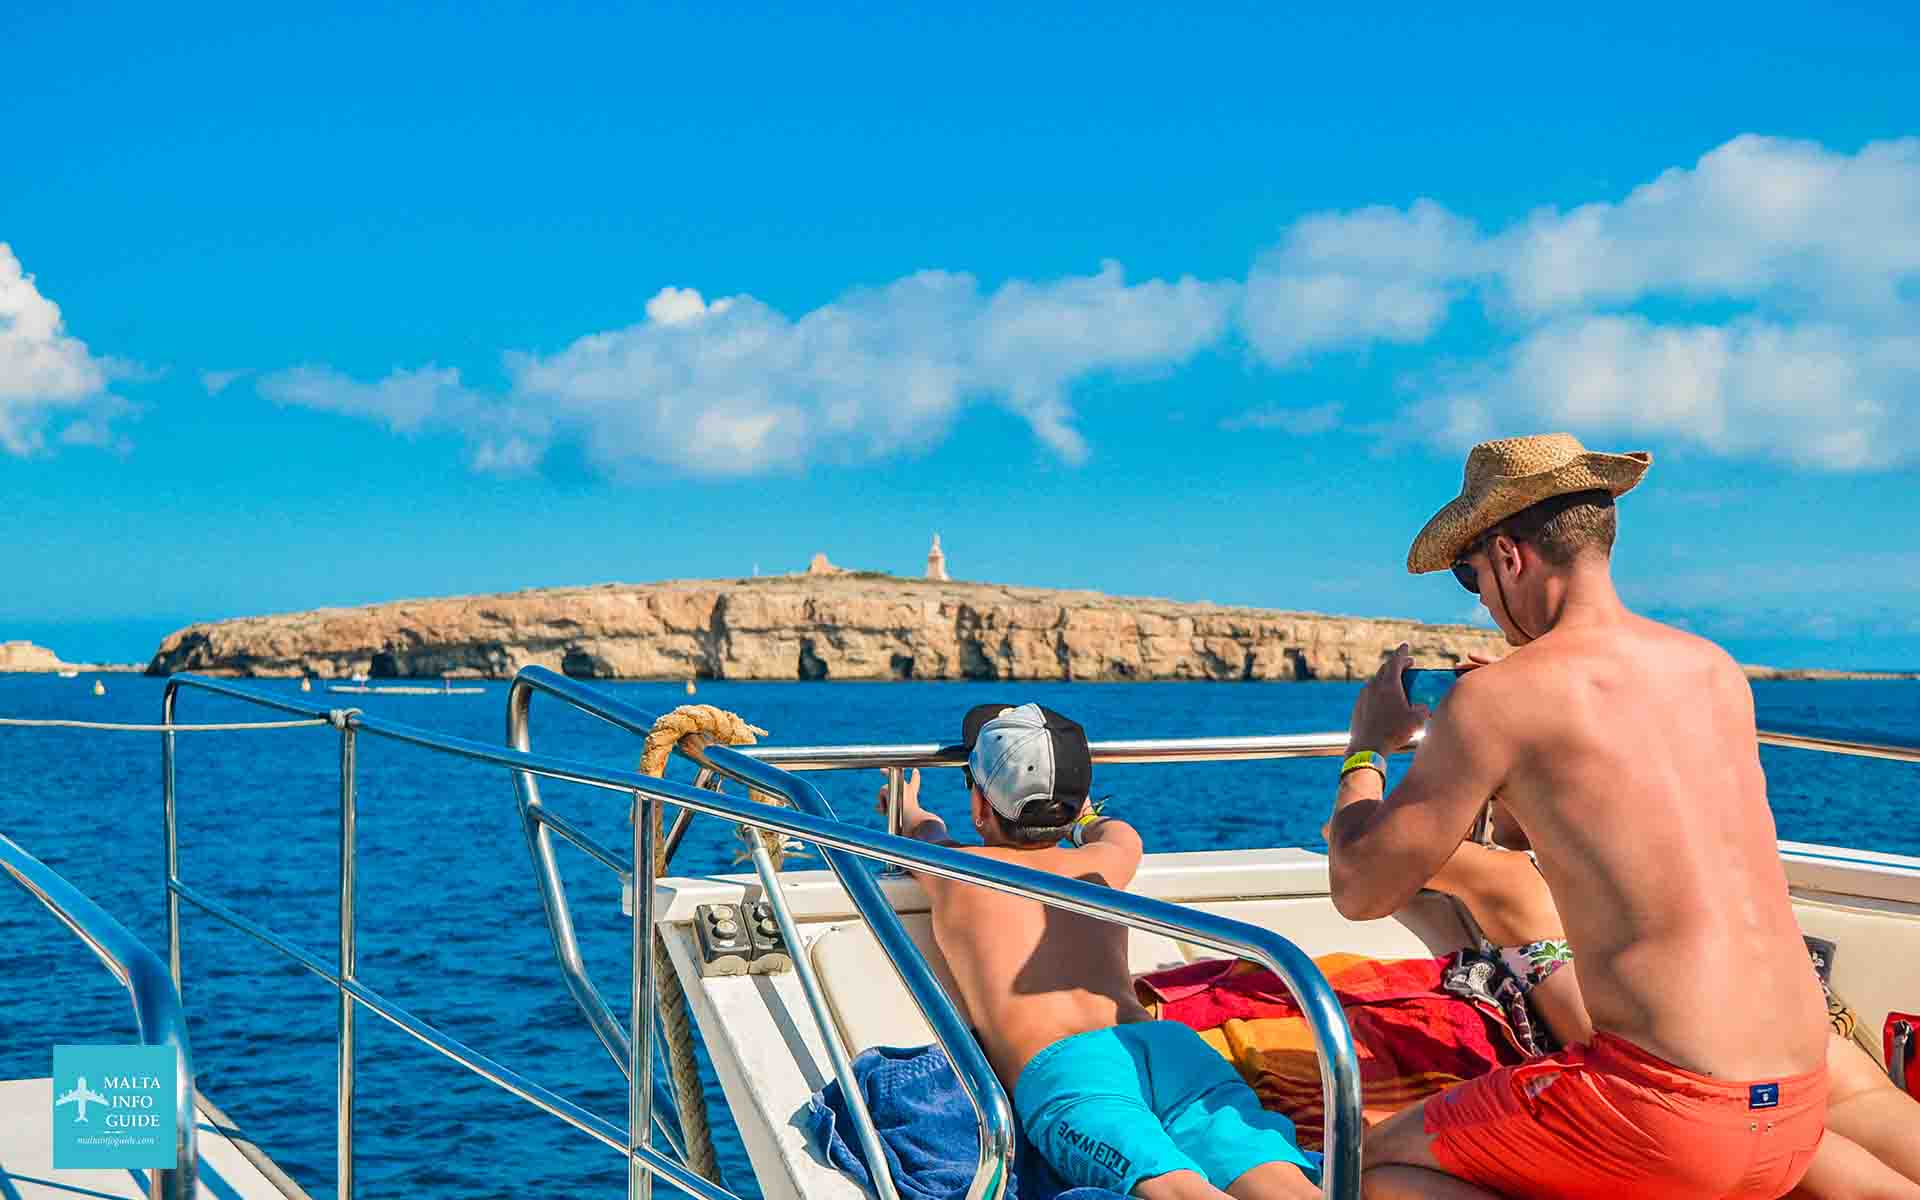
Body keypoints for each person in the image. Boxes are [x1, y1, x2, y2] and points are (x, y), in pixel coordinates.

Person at [1324, 432, 1835, 1199]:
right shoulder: (1716, 671)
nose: (1481, 598)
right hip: (1797, 1107)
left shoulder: (1500, 699)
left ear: (1507, 556)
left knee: (1365, 1163)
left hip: (1665, 1115)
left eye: (1468, 574)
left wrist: (1367, 748)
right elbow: (1568, 834)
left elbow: (1359, 889)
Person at [881, 702, 1320, 1200]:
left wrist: (909, 807)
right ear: (1073, 804)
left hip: (1071, 1071)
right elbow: (1117, 831)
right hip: (1164, 1047)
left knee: (1175, 1190)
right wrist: (1083, 819)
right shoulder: (1102, 864)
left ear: (980, 807)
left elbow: (924, 831)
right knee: (1281, 1182)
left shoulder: (956, 871)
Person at [1426, 819, 1920, 1199]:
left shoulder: (1507, 876)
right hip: (1791, 1041)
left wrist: (1371, 755)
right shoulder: (1664, 851)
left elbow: (1368, 858)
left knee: (1855, 1181)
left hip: (1690, 1076)